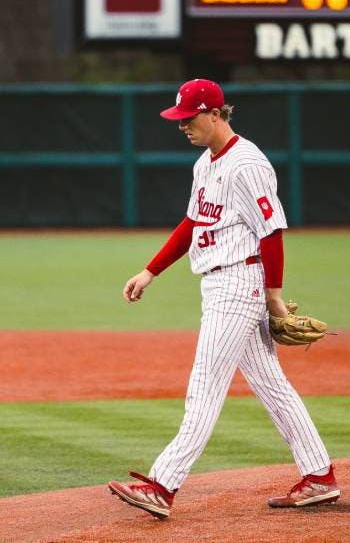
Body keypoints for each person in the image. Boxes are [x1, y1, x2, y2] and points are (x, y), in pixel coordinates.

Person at [108, 79, 338, 519]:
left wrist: (273, 296)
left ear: (215, 114)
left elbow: (271, 231)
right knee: (273, 388)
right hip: (219, 283)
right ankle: (319, 476)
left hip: (239, 284)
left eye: (189, 118)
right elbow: (193, 224)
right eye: (180, 120)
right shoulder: (205, 164)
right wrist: (149, 271)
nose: (183, 127)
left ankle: (163, 485)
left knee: (204, 388)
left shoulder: (246, 164)